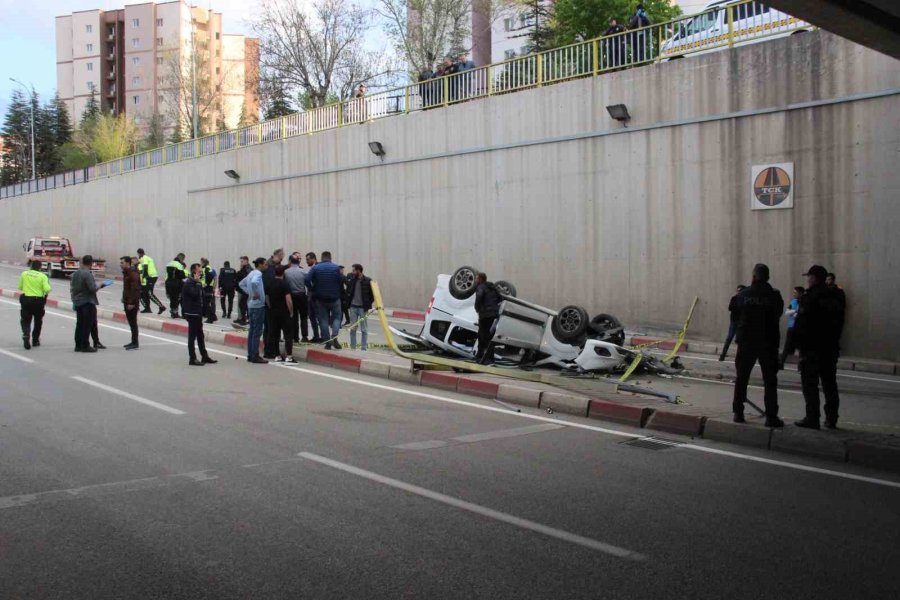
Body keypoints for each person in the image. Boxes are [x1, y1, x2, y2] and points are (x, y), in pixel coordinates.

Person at [731, 264, 784, 427]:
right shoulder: (774, 295)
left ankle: (738, 412)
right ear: (767, 277)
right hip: (768, 342)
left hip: (746, 341)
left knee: (742, 378)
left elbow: (735, 314)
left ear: (753, 276)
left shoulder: (743, 294)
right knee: (770, 380)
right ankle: (771, 416)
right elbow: (778, 314)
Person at [794, 265, 845, 430]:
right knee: (830, 384)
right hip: (830, 347)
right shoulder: (836, 296)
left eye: (809, 277)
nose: (807, 280)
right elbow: (840, 322)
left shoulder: (809, 297)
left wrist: (799, 349)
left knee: (810, 385)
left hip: (812, 349)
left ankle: (812, 418)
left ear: (814, 278)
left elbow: (802, 325)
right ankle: (831, 419)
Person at [70, 255, 110, 353]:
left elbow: (72, 288)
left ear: (82, 262)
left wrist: (74, 299)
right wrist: (100, 285)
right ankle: (85, 345)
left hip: (78, 302)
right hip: (87, 302)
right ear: (91, 263)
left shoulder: (75, 273)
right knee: (87, 325)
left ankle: (78, 345)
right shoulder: (87, 274)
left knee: (79, 324)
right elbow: (92, 288)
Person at [180, 263, 218, 366]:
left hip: (198, 313)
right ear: (193, 272)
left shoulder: (198, 283)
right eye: (199, 271)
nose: (201, 273)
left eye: (201, 271)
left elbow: (202, 297)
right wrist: (197, 283)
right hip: (192, 313)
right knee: (192, 337)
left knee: (200, 336)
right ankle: (192, 358)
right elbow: (194, 294)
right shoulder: (189, 283)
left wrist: (208, 312)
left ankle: (204, 356)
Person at [306, 250, 344, 350]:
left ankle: (327, 342)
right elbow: (341, 280)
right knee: (337, 317)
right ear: (330, 258)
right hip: (335, 298)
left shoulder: (316, 268)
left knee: (323, 320)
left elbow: (306, 279)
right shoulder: (336, 268)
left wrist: (312, 289)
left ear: (322, 258)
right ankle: (334, 336)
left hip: (320, 298)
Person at [240, 257, 269, 364]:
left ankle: (250, 354)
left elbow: (241, 284)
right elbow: (253, 283)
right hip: (258, 306)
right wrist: (255, 293)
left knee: (252, 331)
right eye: (265, 264)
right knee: (257, 331)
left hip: (251, 305)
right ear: (260, 264)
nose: (266, 266)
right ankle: (255, 355)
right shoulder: (257, 274)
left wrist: (250, 293)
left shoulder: (251, 273)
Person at [18, 260, 51, 350]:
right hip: (38, 301)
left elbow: (20, 287)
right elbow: (47, 289)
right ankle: (35, 340)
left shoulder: (24, 274)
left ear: (31, 266)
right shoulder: (43, 276)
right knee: (38, 321)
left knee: (25, 319)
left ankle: (26, 334)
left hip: (26, 300)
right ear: (40, 267)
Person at [268, 265, 296, 362]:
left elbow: (267, 298)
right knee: (288, 334)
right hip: (284, 313)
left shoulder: (270, 283)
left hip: (273, 312)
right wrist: (291, 311)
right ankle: (289, 356)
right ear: (283, 273)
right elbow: (288, 300)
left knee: (276, 334)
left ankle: (277, 355)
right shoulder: (285, 284)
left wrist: (271, 306)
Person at [474, 273, 502, 364]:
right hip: (493, 315)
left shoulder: (481, 287)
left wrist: (477, 309)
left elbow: (479, 297)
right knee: (489, 337)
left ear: (481, 279)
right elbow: (500, 298)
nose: (476, 280)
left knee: (482, 336)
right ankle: (488, 358)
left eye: (477, 278)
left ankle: (482, 358)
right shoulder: (492, 287)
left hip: (485, 315)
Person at [263, 249, 284, 358]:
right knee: (271, 328)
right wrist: (270, 304)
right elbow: (267, 289)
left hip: (271, 303)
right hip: (271, 303)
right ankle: (269, 351)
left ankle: (269, 350)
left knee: (270, 328)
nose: (282, 258)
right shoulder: (269, 268)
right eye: (281, 256)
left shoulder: (272, 266)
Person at [347, 264, 373, 351]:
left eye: (354, 270)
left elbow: (372, 295)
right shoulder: (352, 280)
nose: (352, 272)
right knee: (353, 329)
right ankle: (353, 348)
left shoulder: (368, 280)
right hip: (353, 308)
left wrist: (367, 304)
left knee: (364, 329)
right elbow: (349, 292)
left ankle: (363, 348)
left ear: (359, 271)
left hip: (363, 308)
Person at [284, 254, 310, 343]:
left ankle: (295, 337)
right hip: (302, 295)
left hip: (291, 296)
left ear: (290, 262)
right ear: (298, 262)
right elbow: (308, 283)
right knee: (303, 317)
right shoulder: (303, 272)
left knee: (293, 317)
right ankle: (305, 336)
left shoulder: (286, 272)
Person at [779, 286, 804, 369]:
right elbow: (787, 312)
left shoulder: (804, 301)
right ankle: (781, 362)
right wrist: (795, 311)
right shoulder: (793, 301)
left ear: (800, 293)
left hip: (800, 327)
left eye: (795, 293)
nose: (794, 294)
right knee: (787, 346)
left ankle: (800, 366)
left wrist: (796, 313)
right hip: (792, 326)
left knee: (801, 347)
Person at [718, 285, 746, 361]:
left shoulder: (745, 300)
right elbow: (730, 308)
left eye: (740, 290)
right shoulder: (734, 298)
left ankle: (738, 357)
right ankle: (723, 354)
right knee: (729, 338)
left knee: (739, 340)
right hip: (734, 321)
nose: (739, 292)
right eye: (738, 290)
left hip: (740, 323)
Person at [120, 256, 141, 350]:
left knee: (133, 322)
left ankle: (135, 342)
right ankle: (133, 341)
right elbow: (127, 288)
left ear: (128, 263)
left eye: (122, 262)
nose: (120, 264)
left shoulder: (132, 273)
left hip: (132, 302)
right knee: (131, 322)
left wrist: (131, 302)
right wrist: (123, 297)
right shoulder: (127, 273)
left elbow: (135, 289)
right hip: (127, 300)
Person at [137, 248, 166, 315]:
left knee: (149, 293)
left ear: (139, 253)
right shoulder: (146, 258)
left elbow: (145, 268)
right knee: (144, 293)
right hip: (151, 277)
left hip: (150, 277)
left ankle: (161, 307)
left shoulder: (144, 258)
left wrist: (144, 277)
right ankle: (147, 308)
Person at [305, 252, 323, 342]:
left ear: (313, 259)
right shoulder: (312, 268)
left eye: (308, 259)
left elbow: (307, 280)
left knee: (320, 317)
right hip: (311, 297)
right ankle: (316, 336)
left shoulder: (318, 267)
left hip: (316, 296)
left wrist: (311, 289)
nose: (306, 262)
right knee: (312, 317)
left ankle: (323, 336)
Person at [165, 253, 188, 318]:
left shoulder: (169, 263)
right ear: (181, 258)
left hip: (168, 282)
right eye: (183, 259)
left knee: (172, 298)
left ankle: (173, 312)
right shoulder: (179, 265)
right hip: (176, 283)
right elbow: (182, 275)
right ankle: (175, 313)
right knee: (176, 298)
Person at [234, 256, 252, 325]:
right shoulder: (245, 268)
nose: (241, 263)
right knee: (243, 304)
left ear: (246, 261)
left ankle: (244, 319)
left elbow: (247, 279)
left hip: (246, 290)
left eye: (242, 261)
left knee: (243, 304)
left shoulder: (248, 269)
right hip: (243, 290)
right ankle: (243, 318)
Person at [200, 258, 218, 324]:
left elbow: (212, 278)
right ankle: (212, 317)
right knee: (206, 303)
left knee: (207, 304)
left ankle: (211, 318)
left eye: (201, 262)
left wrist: (207, 284)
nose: (200, 264)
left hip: (207, 288)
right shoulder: (208, 269)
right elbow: (215, 278)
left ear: (204, 263)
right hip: (208, 287)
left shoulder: (207, 268)